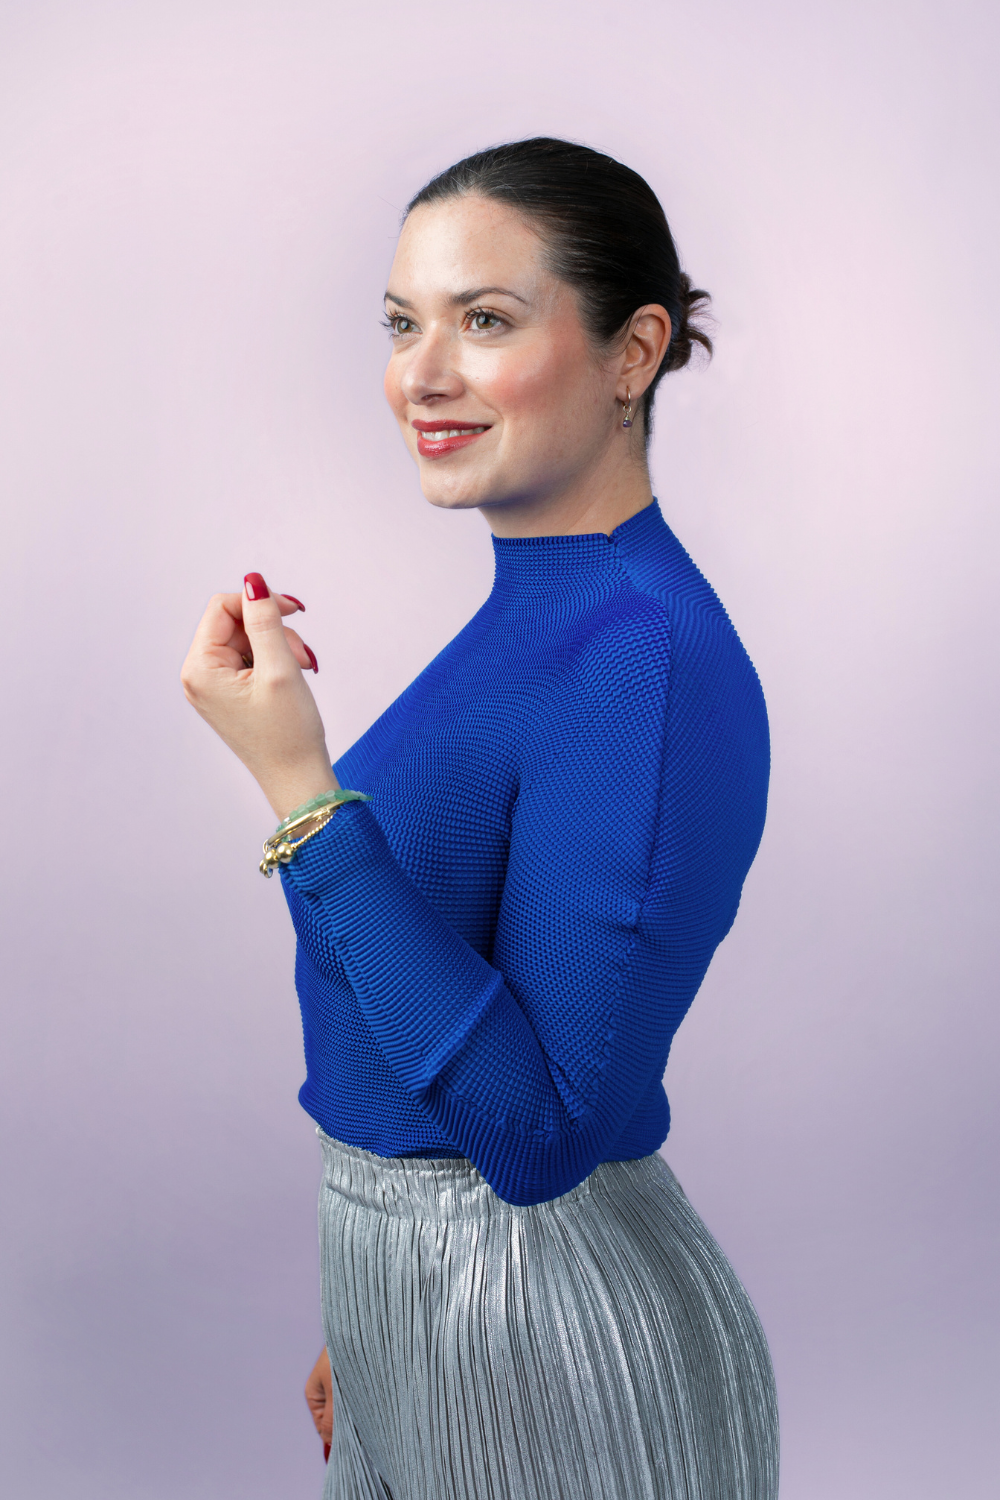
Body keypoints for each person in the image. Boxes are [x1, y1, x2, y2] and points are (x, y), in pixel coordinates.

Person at [182, 137, 779, 1500]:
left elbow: (537, 1134)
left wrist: (301, 793)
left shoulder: (641, 659)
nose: (422, 375)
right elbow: (424, 1023)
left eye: (487, 321)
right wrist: (378, 1308)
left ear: (634, 352)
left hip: (552, 1338)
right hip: (432, 1317)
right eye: (404, 324)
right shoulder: (539, 613)